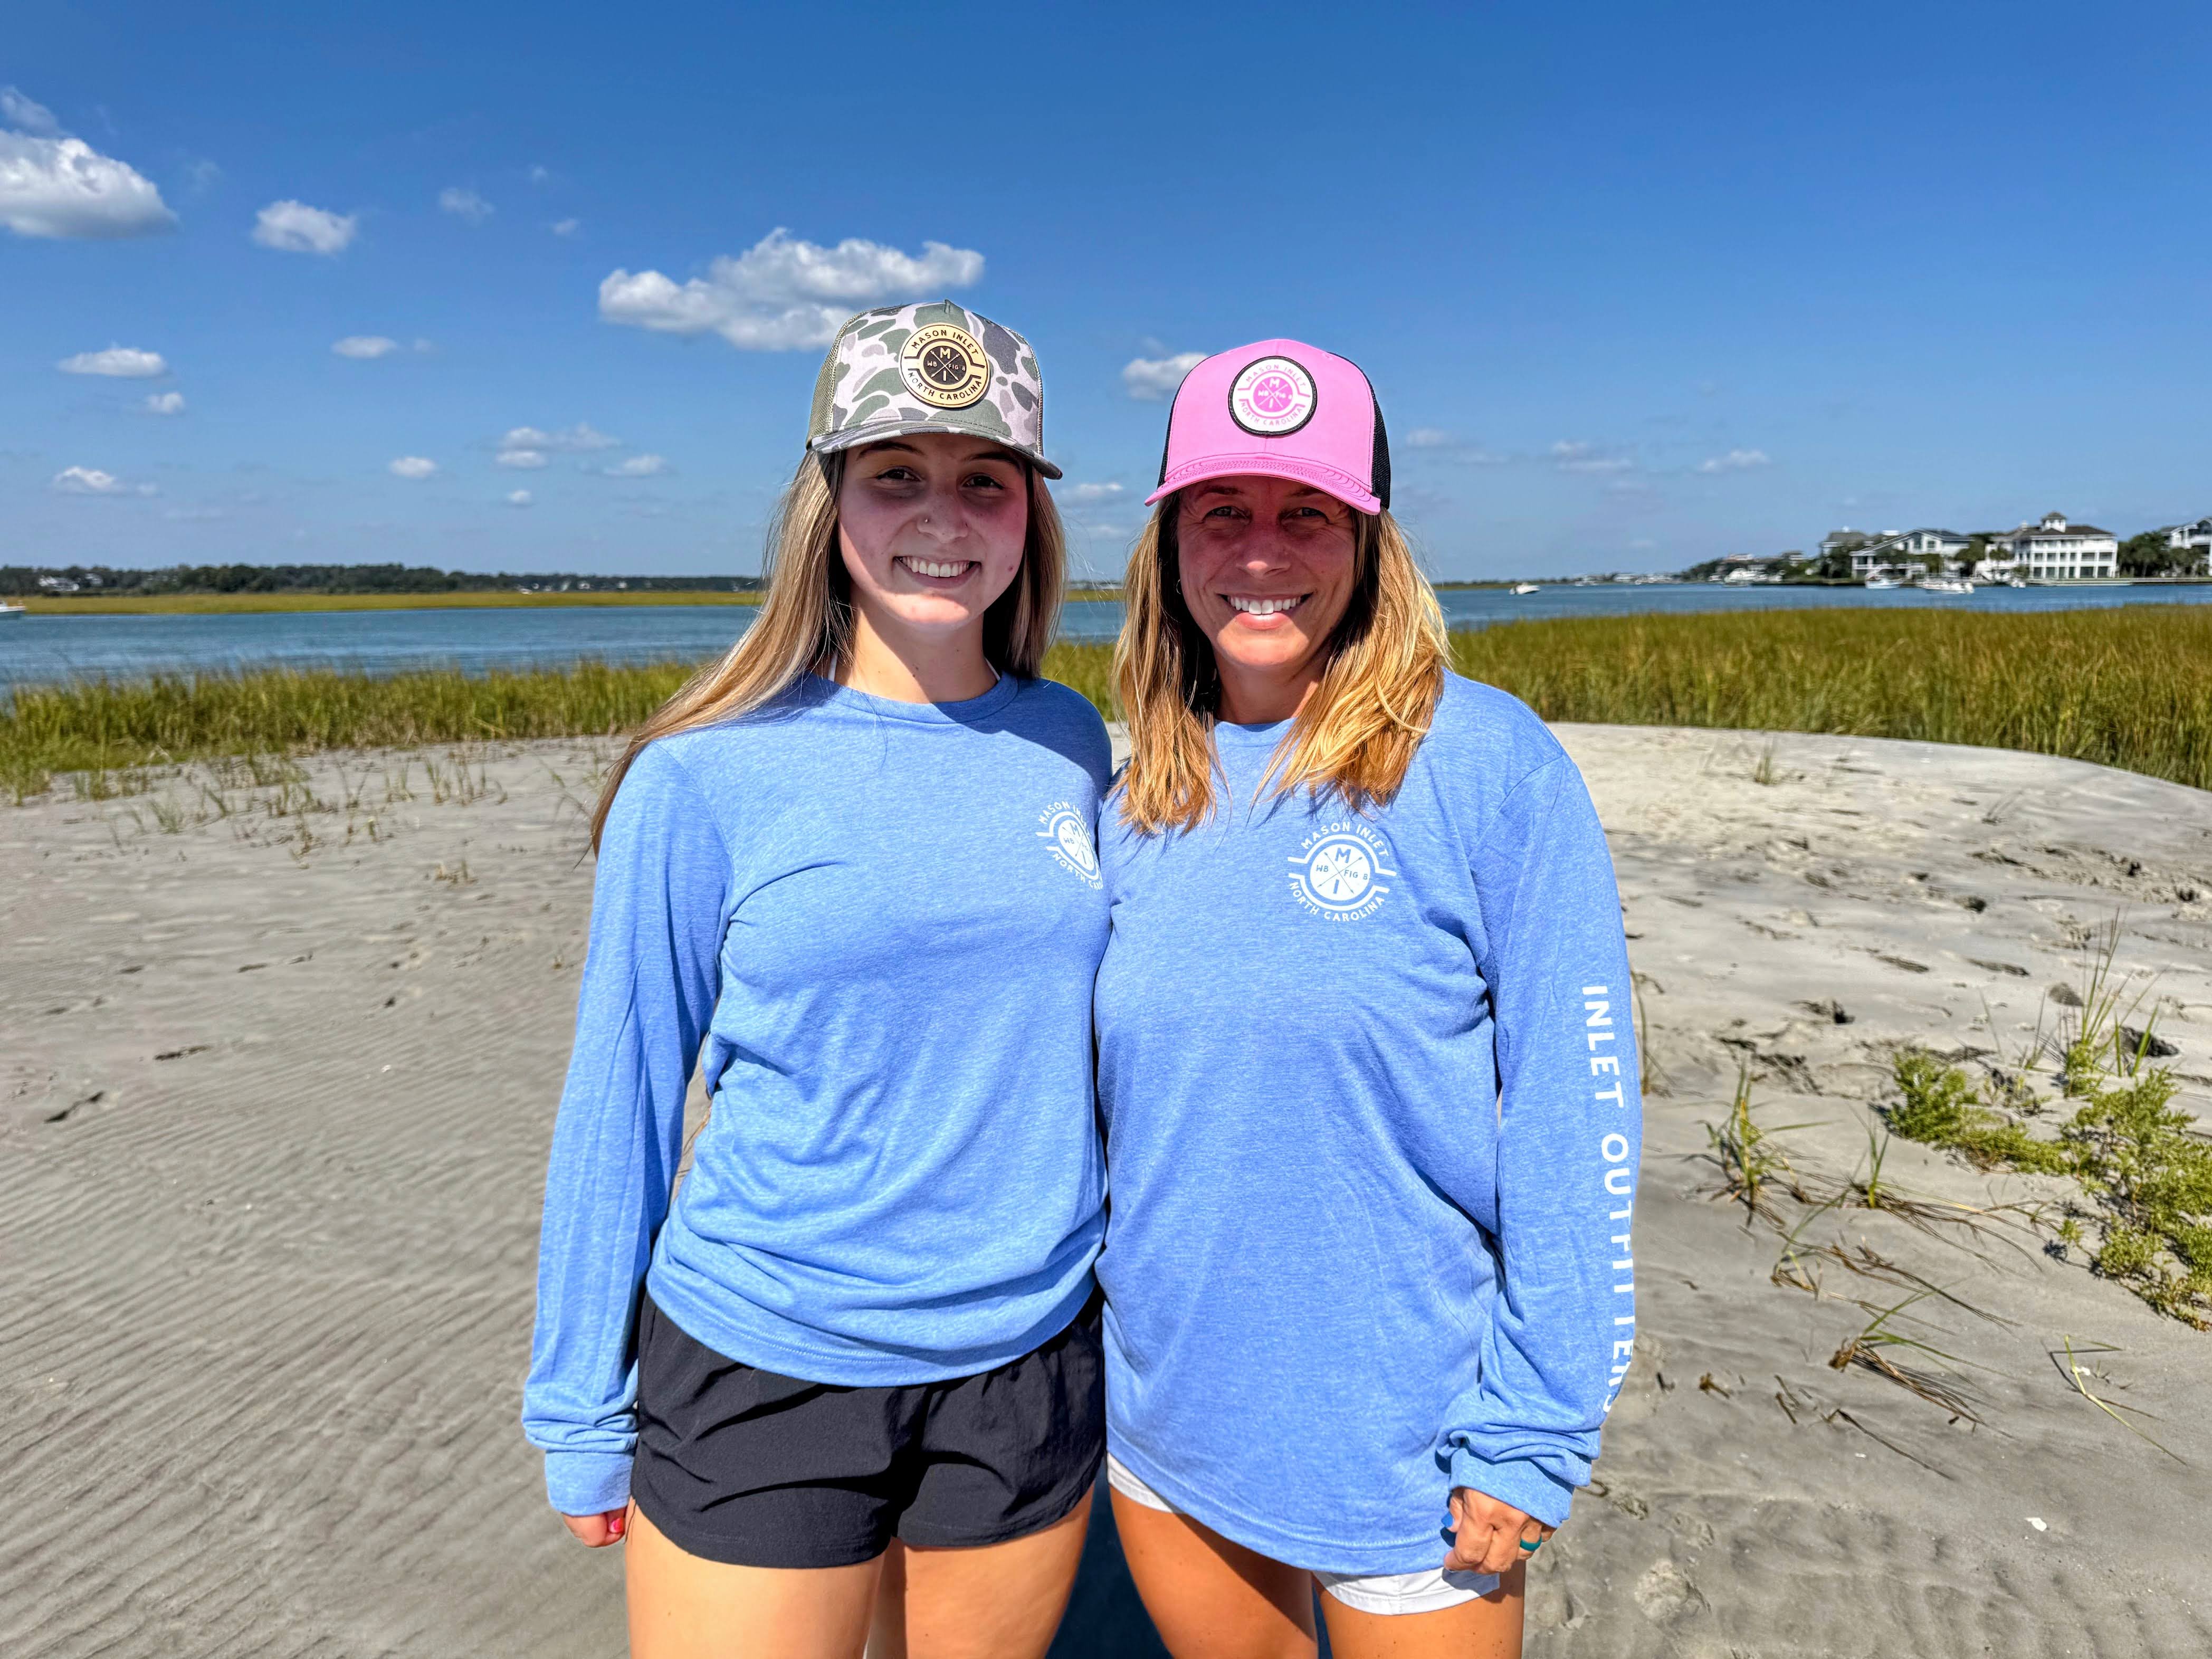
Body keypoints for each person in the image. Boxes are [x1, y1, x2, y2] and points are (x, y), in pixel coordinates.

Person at [523, 301, 1114, 1659]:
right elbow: (620, 1095)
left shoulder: (1071, 742)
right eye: (892, 476)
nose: (940, 517)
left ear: (1030, 516)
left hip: (1023, 1357)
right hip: (766, 1357)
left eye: (984, 481)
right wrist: (576, 1407)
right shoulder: (705, 772)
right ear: (826, 503)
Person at [1092, 341, 1641, 1658]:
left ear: (1371, 541)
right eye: (1222, 510)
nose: (1263, 551)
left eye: (1308, 513)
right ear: (1169, 541)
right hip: (1163, 1428)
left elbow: (1578, 1115)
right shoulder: (1135, 789)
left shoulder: (1485, 763)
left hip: (1410, 1446)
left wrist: (1534, 1426)